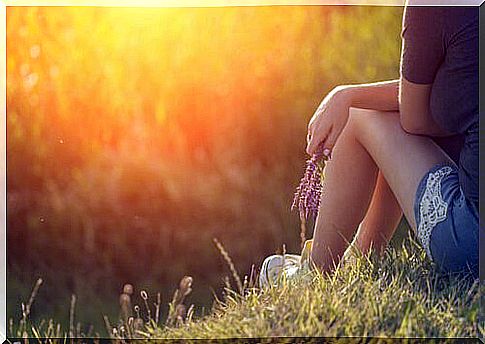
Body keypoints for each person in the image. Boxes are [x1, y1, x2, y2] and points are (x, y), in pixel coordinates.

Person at [260, 2, 480, 287]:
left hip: (472, 246)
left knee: (359, 118)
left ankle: (313, 275)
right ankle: (360, 258)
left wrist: (348, 97)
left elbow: (414, 118)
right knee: (387, 117)